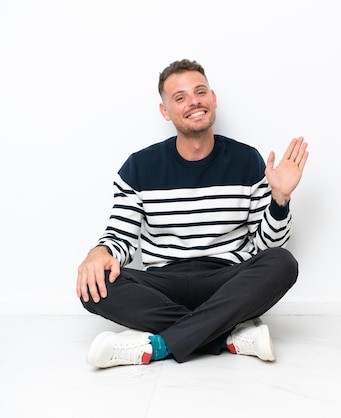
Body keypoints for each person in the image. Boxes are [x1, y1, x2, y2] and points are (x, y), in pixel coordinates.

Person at [76, 59, 309, 368]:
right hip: (164, 285)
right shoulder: (139, 167)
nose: (193, 102)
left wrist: (280, 200)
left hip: (226, 282)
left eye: (200, 92)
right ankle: (227, 336)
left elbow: (266, 246)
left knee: (282, 263)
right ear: (165, 111)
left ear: (212, 99)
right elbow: (121, 234)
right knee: (95, 283)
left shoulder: (247, 161)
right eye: (180, 97)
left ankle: (159, 345)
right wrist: (100, 251)